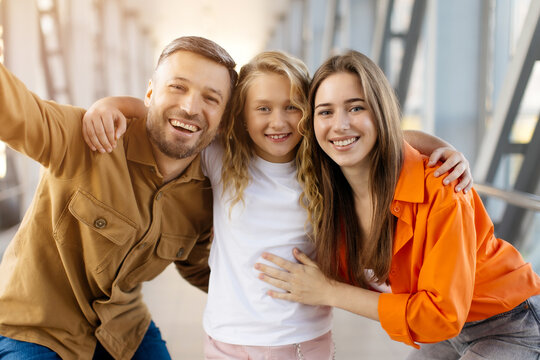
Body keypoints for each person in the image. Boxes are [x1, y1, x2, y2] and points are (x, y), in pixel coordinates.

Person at [83, 49, 475, 359]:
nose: (279, 122)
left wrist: (445, 149)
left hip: (301, 341)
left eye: (292, 107)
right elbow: (163, 115)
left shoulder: (326, 162)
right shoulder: (221, 156)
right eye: (263, 108)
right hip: (224, 340)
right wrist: (109, 106)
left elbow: (389, 138)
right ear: (242, 114)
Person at [255, 50, 540, 359]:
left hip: (510, 323)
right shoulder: (326, 187)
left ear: (381, 113)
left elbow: (440, 316)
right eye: (325, 112)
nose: (339, 125)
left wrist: (328, 292)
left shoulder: (444, 190)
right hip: (451, 332)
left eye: (356, 107)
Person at [0, 36, 237, 360]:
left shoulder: (204, 194)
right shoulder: (83, 137)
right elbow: (14, 110)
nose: (190, 107)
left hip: (122, 328)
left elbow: (201, 268)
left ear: (223, 119)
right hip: (36, 328)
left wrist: (278, 289)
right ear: (151, 92)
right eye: (177, 87)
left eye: (211, 98)